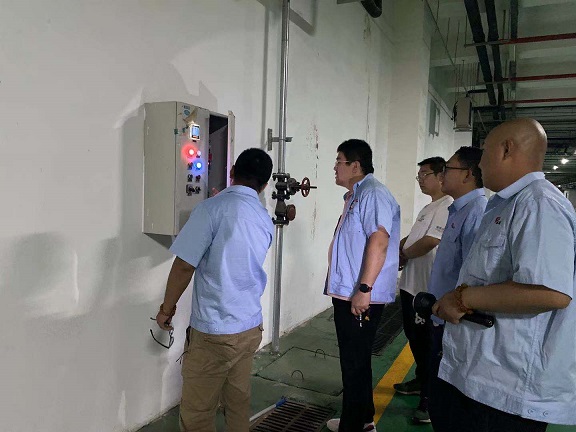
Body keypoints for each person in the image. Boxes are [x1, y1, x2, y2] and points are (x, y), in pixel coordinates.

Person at [432, 118, 576, 431]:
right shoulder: (505, 205)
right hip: (480, 376)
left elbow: (551, 293)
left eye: (485, 152)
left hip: (506, 391)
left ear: (507, 150)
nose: (480, 163)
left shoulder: (539, 203)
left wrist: (462, 298)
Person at [155, 148, 274, 432]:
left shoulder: (210, 209)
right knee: (237, 402)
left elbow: (184, 266)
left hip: (214, 333)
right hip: (249, 328)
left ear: (232, 172)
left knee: (197, 414)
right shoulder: (263, 216)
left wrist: (166, 310)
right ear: (264, 185)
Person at [325, 139, 401, 432]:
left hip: (359, 295)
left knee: (354, 363)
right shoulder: (357, 195)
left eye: (339, 161)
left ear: (355, 165)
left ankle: (353, 426)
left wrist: (364, 289)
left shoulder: (372, 194)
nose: (335, 167)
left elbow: (379, 240)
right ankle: (363, 420)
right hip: (350, 292)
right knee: (356, 359)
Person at [423, 147, 487, 427]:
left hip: (455, 321)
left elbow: (474, 273)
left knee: (450, 402)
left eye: (448, 169)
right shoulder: (458, 209)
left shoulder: (477, 211)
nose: (442, 174)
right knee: (439, 394)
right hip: (442, 315)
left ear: (468, 175)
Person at [393, 157, 452, 423]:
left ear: (441, 176)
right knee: (414, 337)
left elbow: (430, 241)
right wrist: (399, 247)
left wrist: (403, 254)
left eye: (424, 174)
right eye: (419, 175)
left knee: (427, 343)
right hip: (411, 285)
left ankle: (429, 399)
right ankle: (420, 380)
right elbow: (416, 236)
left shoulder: (447, 205)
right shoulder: (429, 207)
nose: (420, 179)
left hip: (425, 288)